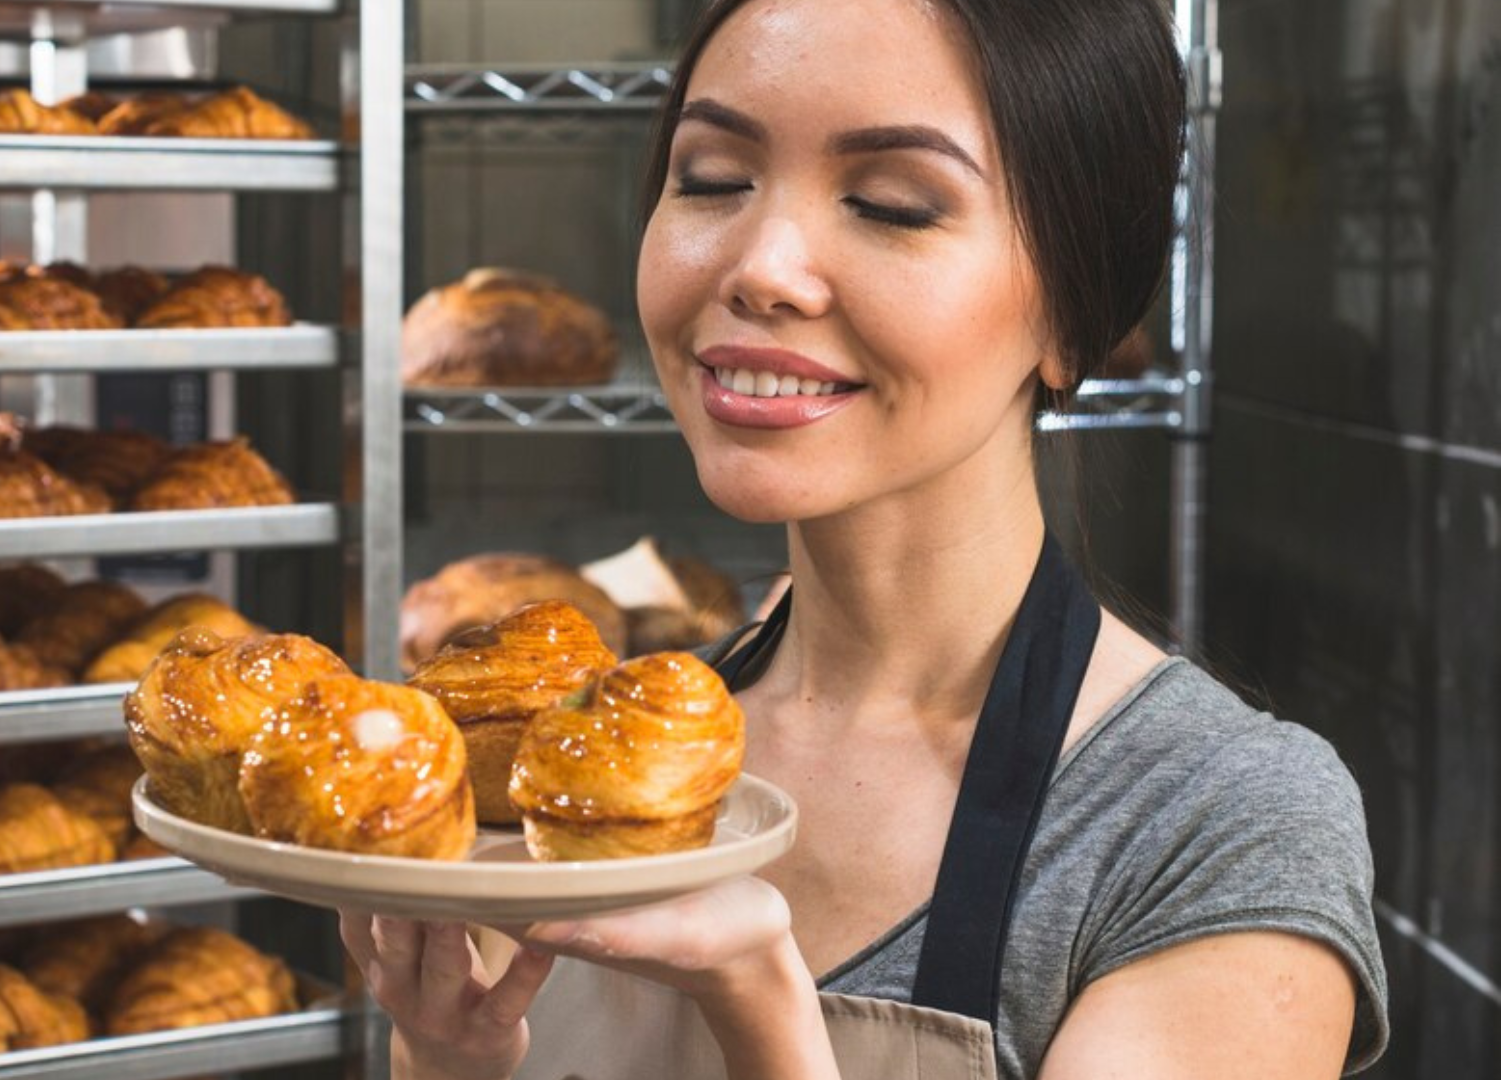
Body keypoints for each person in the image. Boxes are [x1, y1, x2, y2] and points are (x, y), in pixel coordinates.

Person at [343, 0, 1389, 1077]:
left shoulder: (1206, 824)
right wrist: (449, 1057)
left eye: (890, 203)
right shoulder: (586, 768)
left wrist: (759, 1007)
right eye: (712, 178)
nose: (761, 266)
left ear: (1073, 319)